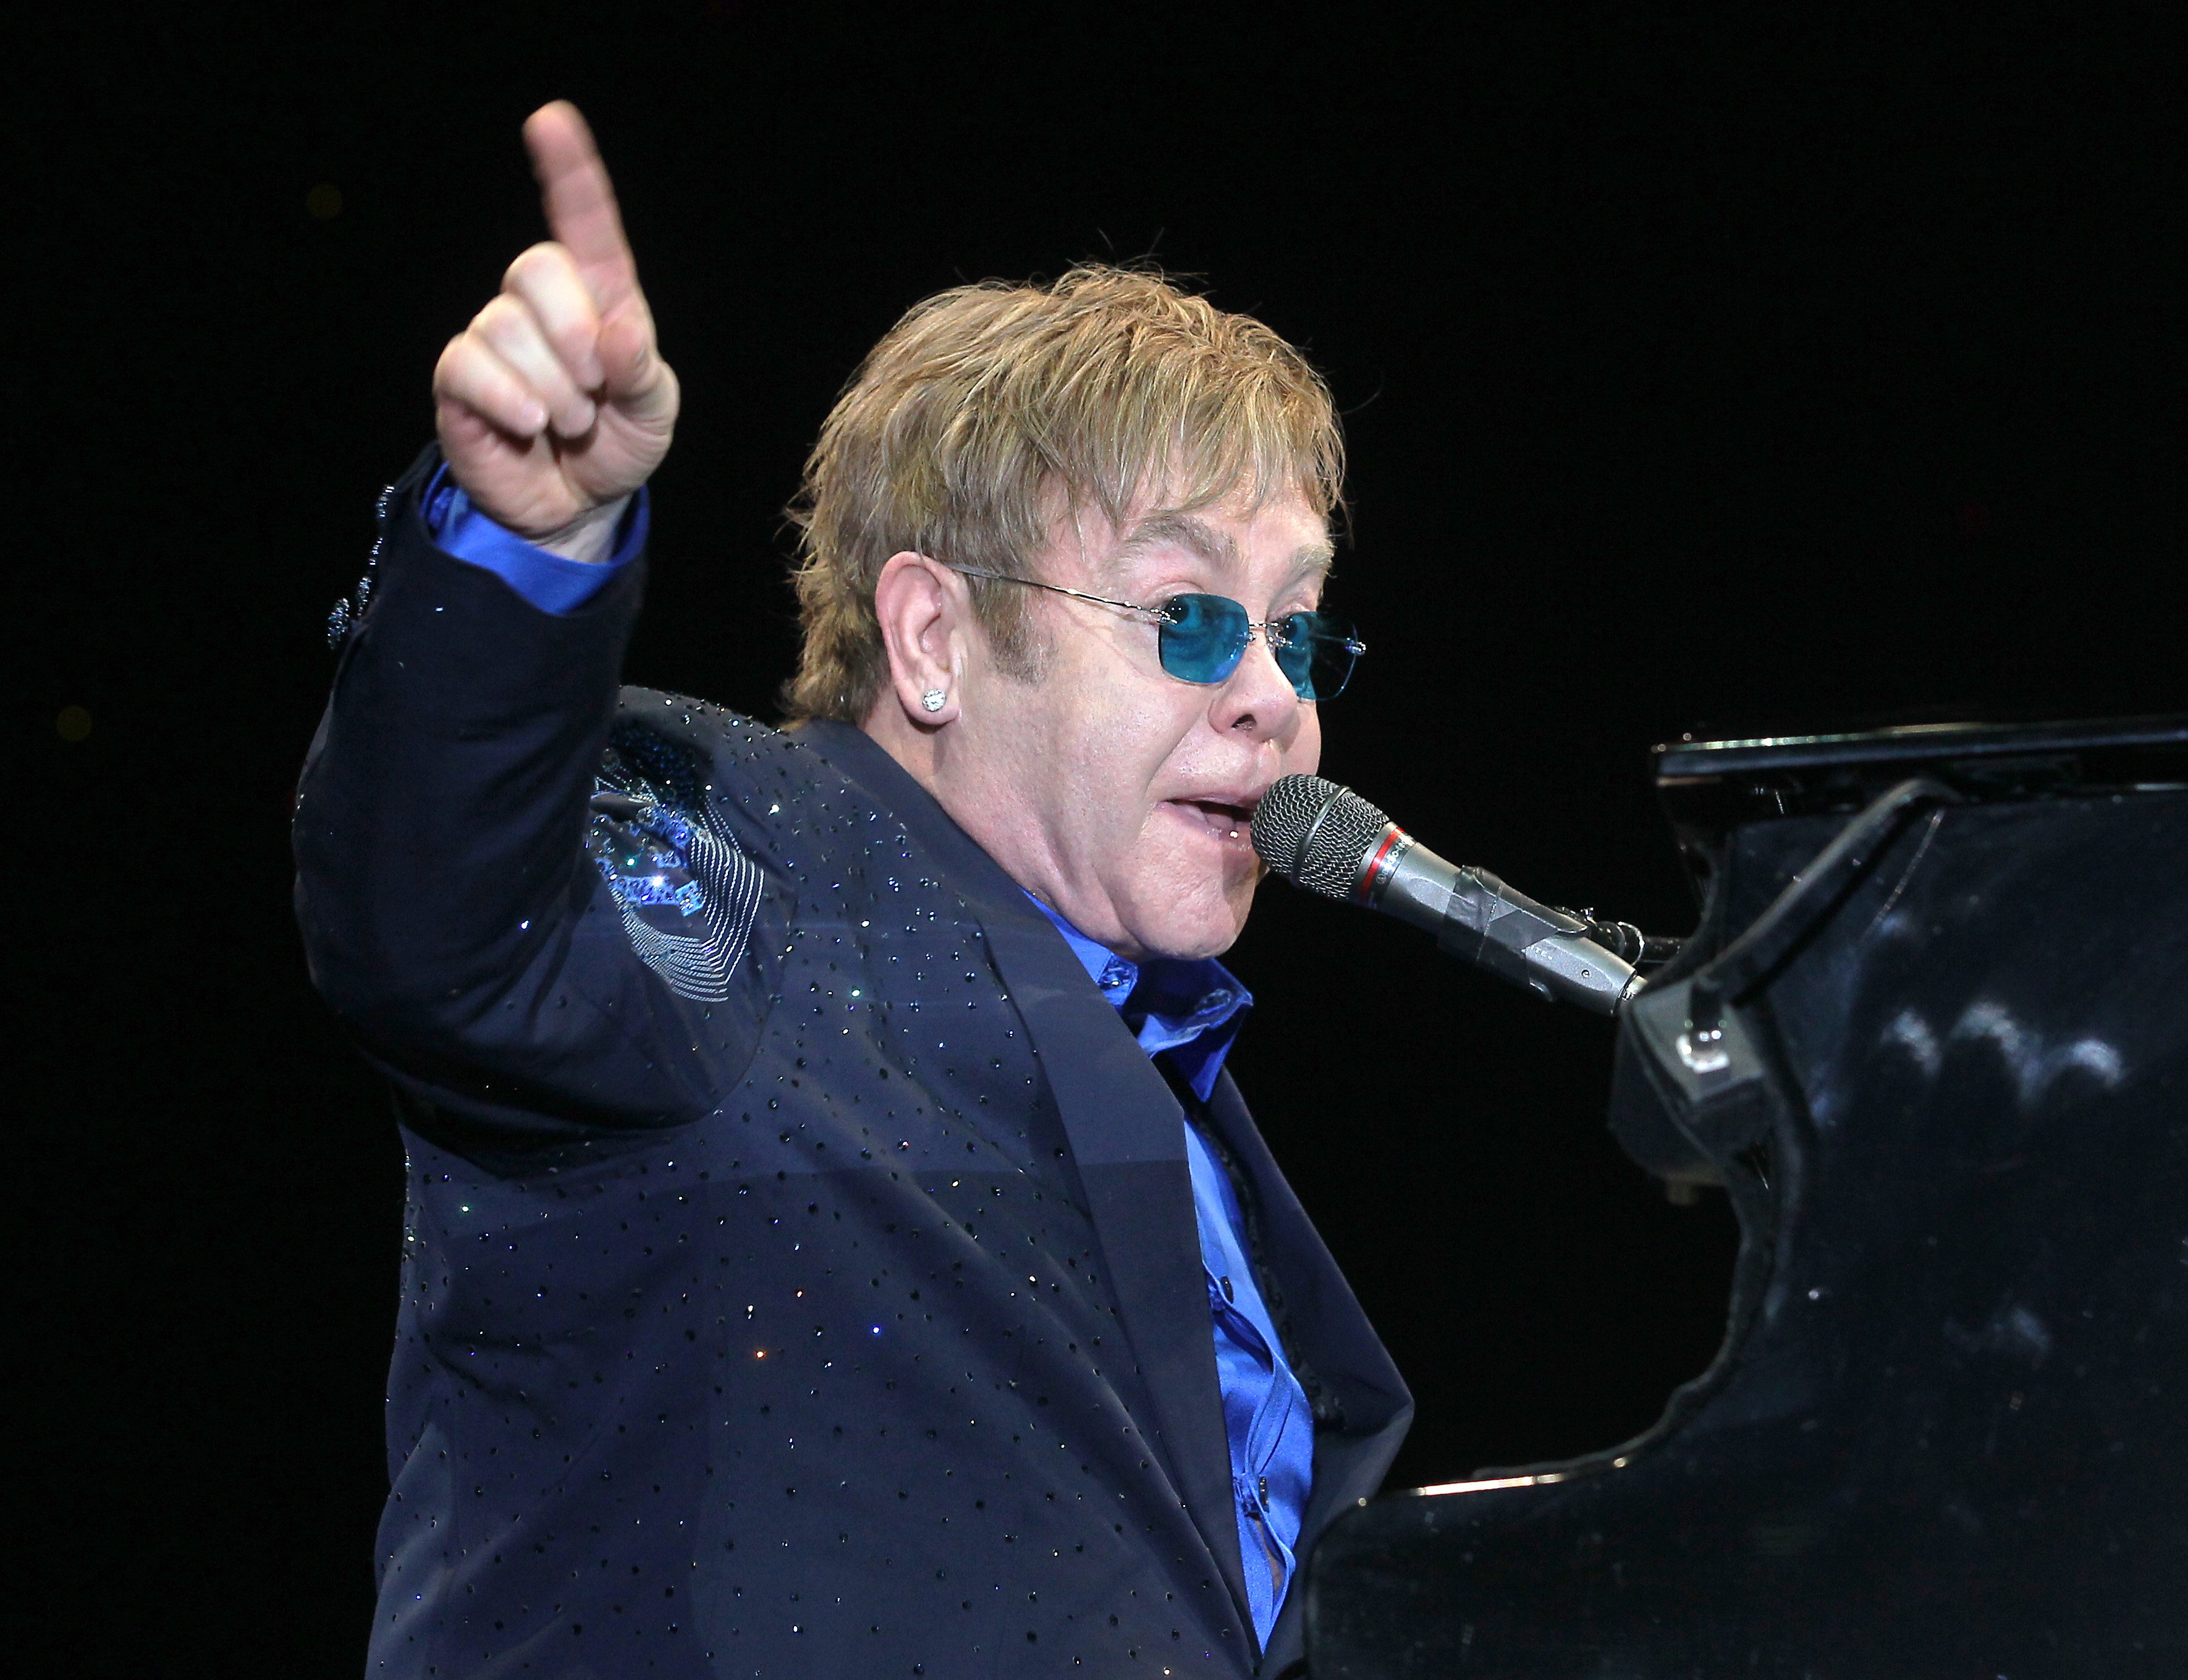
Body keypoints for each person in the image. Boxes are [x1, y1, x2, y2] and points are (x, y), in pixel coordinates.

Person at [297, 101, 1409, 1679]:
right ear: (935, 640)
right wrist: (518, 553)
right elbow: (443, 915)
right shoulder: (741, 864)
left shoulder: (1188, 1113)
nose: (1270, 698)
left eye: (1294, 630)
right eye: (1187, 616)